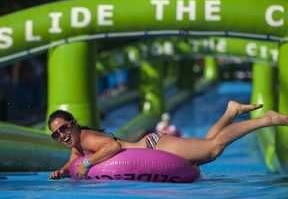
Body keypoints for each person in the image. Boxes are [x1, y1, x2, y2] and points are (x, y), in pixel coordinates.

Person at [48, 100, 288, 180]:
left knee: (213, 149)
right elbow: (73, 162)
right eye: (56, 133)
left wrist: (88, 165)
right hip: (150, 148)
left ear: (75, 124)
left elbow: (114, 146)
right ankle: (231, 111)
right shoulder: (77, 145)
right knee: (207, 145)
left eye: (64, 128)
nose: (61, 135)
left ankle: (267, 119)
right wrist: (60, 172)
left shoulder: (87, 137)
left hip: (154, 146)